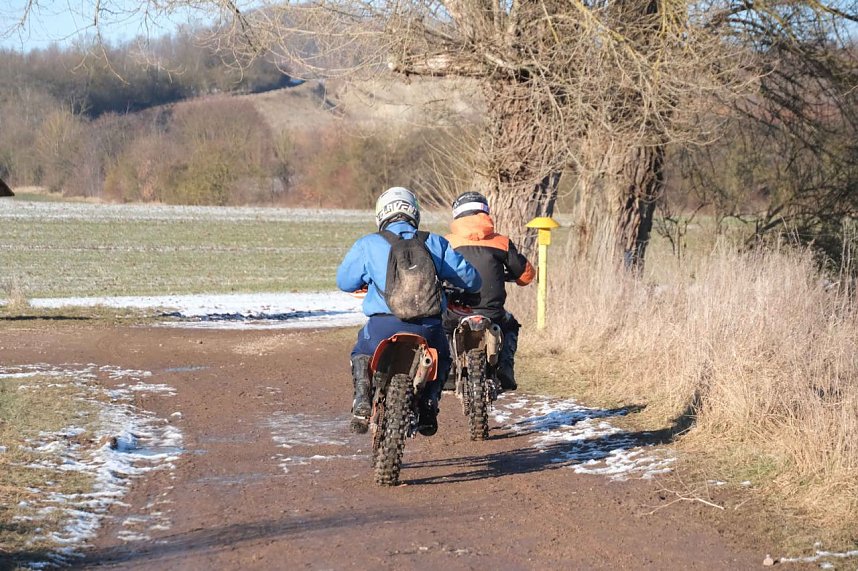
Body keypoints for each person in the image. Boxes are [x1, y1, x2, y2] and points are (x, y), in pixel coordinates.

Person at [337, 187, 482, 436]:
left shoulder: (368, 244)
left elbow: (345, 282)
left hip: (383, 325)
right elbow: (472, 280)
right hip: (428, 326)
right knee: (443, 356)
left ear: (381, 214)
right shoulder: (434, 242)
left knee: (361, 351)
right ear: (414, 213)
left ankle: (362, 399)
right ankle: (428, 405)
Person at [444, 191, 535, 391]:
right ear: (485, 212)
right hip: (492, 312)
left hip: (455, 311)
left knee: (442, 327)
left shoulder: (447, 242)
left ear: (457, 214)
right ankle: (505, 367)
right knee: (510, 325)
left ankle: (447, 369)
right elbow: (526, 276)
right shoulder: (501, 242)